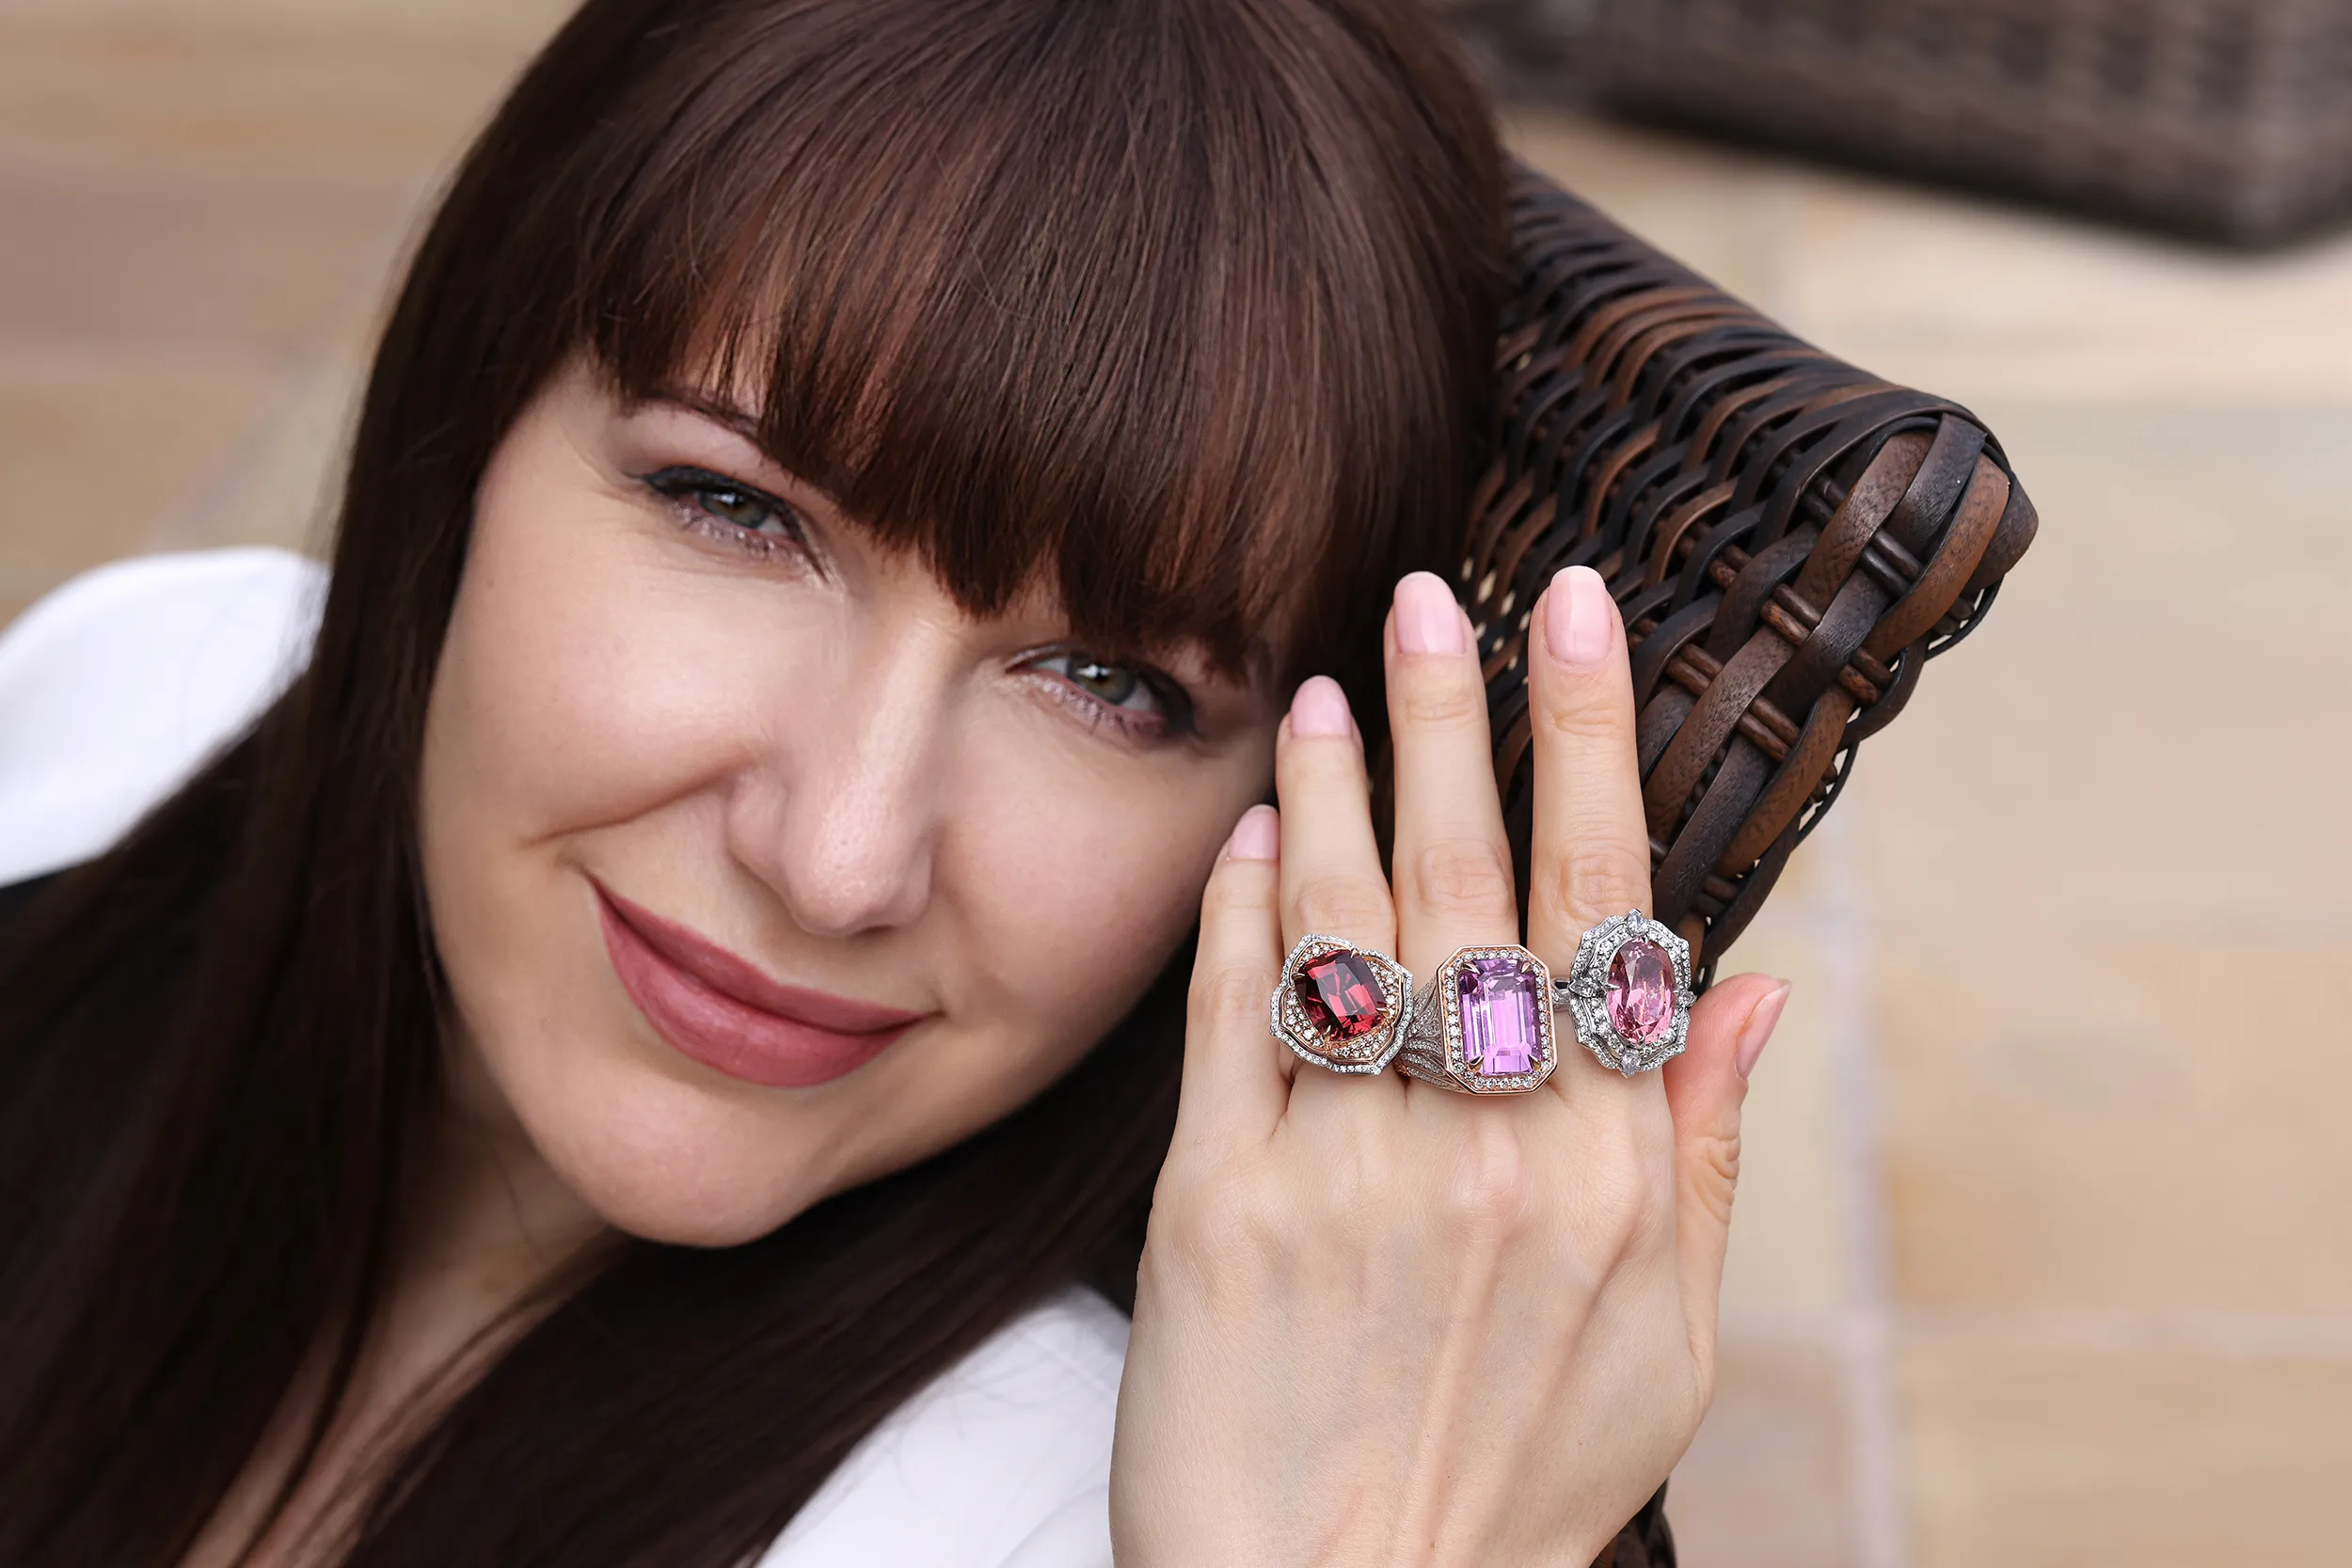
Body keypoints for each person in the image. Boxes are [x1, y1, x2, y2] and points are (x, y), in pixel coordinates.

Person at [0, 1, 1790, 1563]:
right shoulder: (130, 708)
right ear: (466, 414)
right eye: (734, 508)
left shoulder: (1052, 1512)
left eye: (1110, 685)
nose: (838, 859)